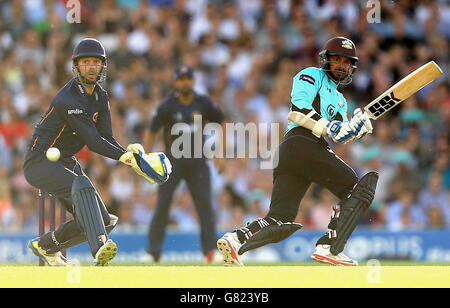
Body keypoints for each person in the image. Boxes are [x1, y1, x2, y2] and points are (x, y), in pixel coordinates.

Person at [217, 37, 377, 266]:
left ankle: (235, 240)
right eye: (337, 60)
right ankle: (329, 247)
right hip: (301, 143)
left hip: (296, 153)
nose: (341, 66)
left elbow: (339, 133)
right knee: (358, 188)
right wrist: (331, 127)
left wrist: (358, 128)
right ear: (326, 61)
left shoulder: (340, 100)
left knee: (280, 219)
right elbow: (298, 111)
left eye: (346, 62)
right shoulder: (310, 75)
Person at [24, 38, 172, 266]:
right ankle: (100, 247)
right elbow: (93, 142)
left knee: (104, 220)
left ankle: (45, 245)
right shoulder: (67, 99)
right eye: (86, 62)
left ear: (103, 66)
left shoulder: (101, 97)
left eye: (96, 62)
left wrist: (134, 158)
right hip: (38, 161)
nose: (91, 67)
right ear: (76, 66)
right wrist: (127, 158)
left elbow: (107, 137)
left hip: (64, 161)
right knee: (82, 185)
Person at [143, 64, 224, 263]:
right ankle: (153, 253)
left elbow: (221, 123)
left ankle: (210, 251)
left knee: (204, 205)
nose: (185, 82)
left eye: (188, 78)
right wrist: (148, 157)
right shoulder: (167, 105)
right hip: (172, 161)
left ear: (193, 81)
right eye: (181, 78)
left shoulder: (204, 103)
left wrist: (220, 153)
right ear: (176, 81)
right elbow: (151, 131)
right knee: (163, 204)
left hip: (198, 160)